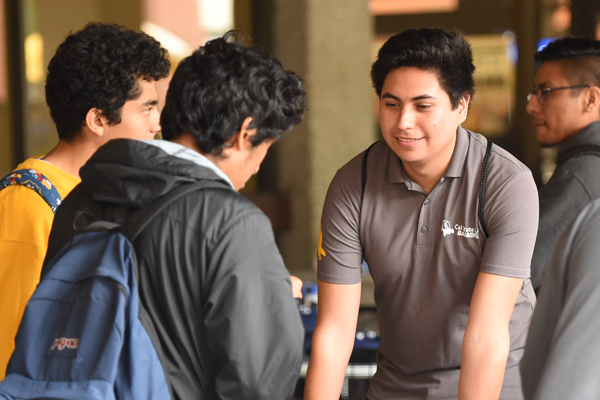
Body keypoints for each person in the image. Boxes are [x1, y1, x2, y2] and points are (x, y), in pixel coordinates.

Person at [41, 32, 306, 399]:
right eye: (265, 148)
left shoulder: (80, 197)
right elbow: (256, 382)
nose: (259, 166)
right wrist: (278, 301)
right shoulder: (233, 222)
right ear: (245, 133)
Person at [305, 28, 539, 399]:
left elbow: (486, 335)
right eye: (391, 103)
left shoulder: (505, 182)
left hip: (499, 382)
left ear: (461, 105)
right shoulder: (354, 184)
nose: (403, 123)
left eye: (422, 105)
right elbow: (334, 332)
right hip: (397, 385)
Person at [0, 22, 170, 378]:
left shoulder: (114, 191)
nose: (157, 123)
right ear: (98, 119)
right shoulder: (27, 201)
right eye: (146, 108)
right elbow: (11, 347)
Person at [526, 37, 600, 291]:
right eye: (533, 93)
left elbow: (515, 272)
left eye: (545, 92)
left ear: (590, 99)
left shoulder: (581, 177)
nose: (531, 106)